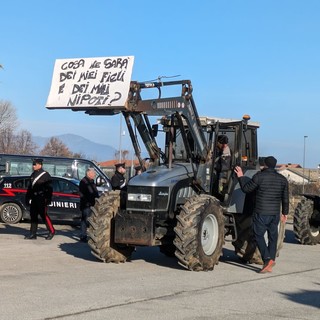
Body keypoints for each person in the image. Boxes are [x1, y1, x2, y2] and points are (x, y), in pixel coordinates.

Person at [234, 156, 289, 273]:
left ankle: (267, 259)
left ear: (265, 165)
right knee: (273, 238)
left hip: (262, 212)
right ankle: (271, 261)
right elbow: (285, 198)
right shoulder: (282, 179)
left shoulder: (259, 177)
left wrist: (241, 177)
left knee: (258, 235)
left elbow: (246, 189)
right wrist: (285, 212)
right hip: (275, 214)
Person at [25, 158, 55, 240]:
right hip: (34, 198)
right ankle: (33, 233)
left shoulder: (46, 175)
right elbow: (30, 188)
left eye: (35, 164)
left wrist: (48, 199)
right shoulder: (33, 174)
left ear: (40, 165)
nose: (33, 166)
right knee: (33, 216)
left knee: (44, 215)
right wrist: (27, 198)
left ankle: (51, 231)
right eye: (33, 164)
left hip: (42, 198)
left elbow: (49, 188)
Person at [79, 167, 99, 242]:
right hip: (86, 205)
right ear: (89, 173)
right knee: (85, 220)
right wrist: (87, 202)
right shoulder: (83, 181)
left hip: (92, 204)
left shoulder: (92, 181)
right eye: (93, 173)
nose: (94, 175)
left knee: (91, 220)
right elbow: (81, 193)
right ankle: (83, 235)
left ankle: (90, 235)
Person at [213, 134, 232, 199]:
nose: (225, 145)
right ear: (217, 142)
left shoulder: (226, 150)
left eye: (226, 143)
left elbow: (225, 166)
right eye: (223, 143)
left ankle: (219, 195)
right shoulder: (214, 149)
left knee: (219, 187)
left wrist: (214, 165)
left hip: (222, 173)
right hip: (215, 172)